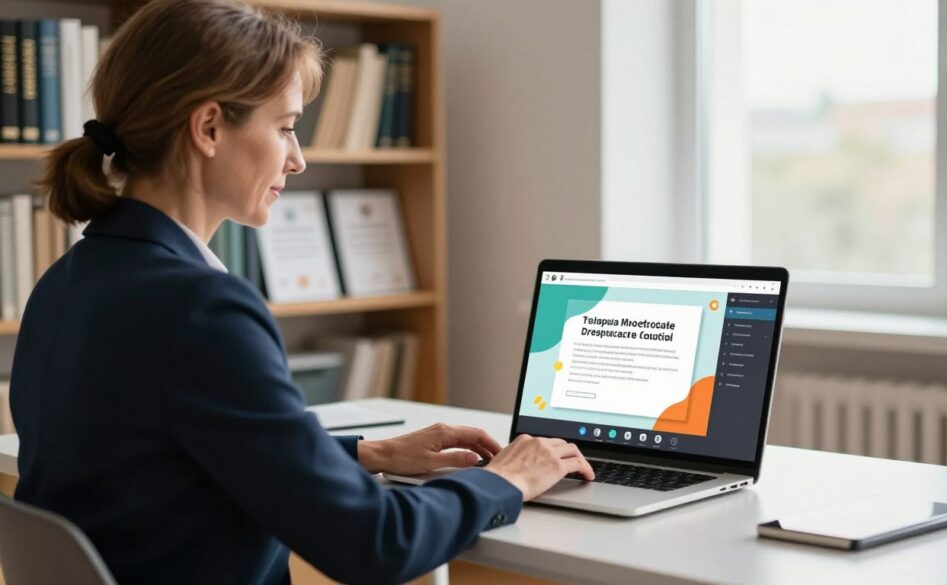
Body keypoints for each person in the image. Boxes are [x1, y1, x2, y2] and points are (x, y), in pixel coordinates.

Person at [9, 1, 594, 583]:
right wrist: (508, 479)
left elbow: (165, 462)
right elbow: (375, 544)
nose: (299, 158)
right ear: (209, 127)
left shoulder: (68, 282)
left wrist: (370, 453)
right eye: (286, 127)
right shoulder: (202, 310)